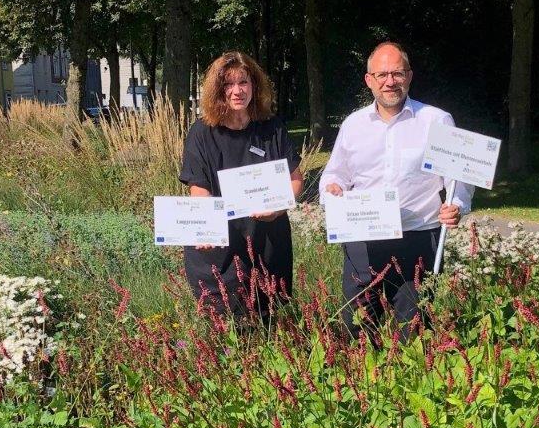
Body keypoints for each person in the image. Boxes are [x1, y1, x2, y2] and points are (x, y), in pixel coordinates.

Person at [319, 41, 474, 337]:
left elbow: (457, 177)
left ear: (409, 76)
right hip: (363, 241)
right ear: (369, 80)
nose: (390, 82)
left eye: (397, 73)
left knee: (414, 334)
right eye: (382, 75)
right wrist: (332, 191)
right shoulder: (353, 125)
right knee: (357, 331)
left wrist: (456, 204)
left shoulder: (436, 120)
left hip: (417, 239)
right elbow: (334, 175)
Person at [180, 51, 304, 316]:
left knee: (270, 322)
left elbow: (295, 179)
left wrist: (278, 209)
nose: (237, 91)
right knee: (228, 327)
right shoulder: (201, 133)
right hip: (222, 249)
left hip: (268, 244)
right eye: (228, 84)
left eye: (243, 82)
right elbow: (199, 188)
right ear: (218, 90)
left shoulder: (272, 128)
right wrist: (206, 227)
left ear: (254, 85)